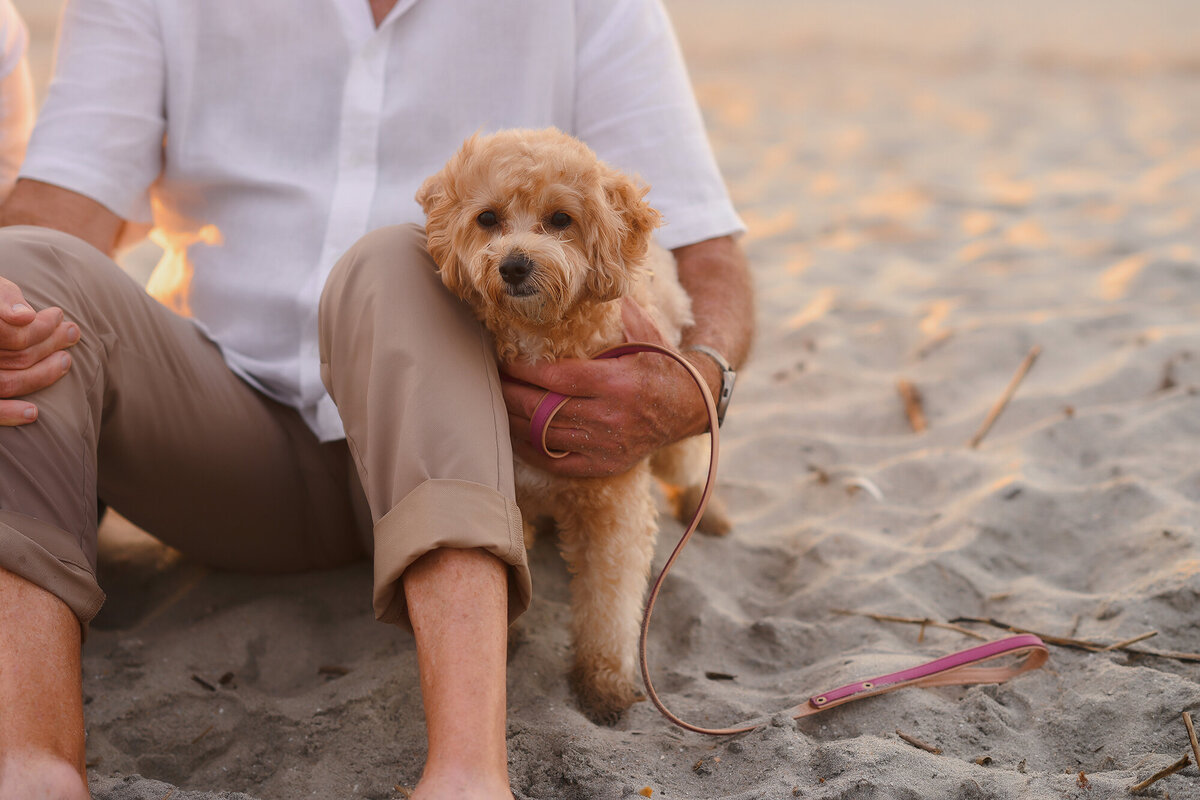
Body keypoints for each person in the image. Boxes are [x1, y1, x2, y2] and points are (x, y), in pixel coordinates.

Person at [0, 0, 753, 798]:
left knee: (400, 260)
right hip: (228, 428)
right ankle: (30, 762)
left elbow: (705, 250)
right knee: (24, 272)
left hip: (467, 448)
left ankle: (467, 773)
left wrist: (692, 385)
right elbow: (63, 209)